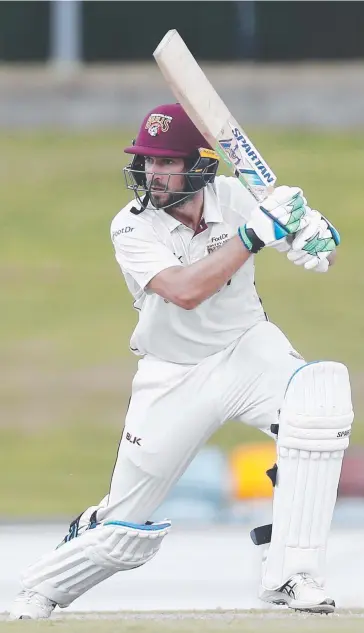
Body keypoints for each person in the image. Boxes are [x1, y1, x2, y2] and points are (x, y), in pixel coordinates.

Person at [9, 103, 353, 619]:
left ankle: (290, 573)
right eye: (147, 161)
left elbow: (324, 256)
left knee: (319, 404)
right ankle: (40, 589)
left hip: (247, 348)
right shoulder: (130, 227)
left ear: (200, 165)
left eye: (166, 161)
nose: (153, 173)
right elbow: (185, 291)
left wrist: (312, 234)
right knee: (124, 528)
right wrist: (256, 234)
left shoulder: (239, 198)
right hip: (172, 373)